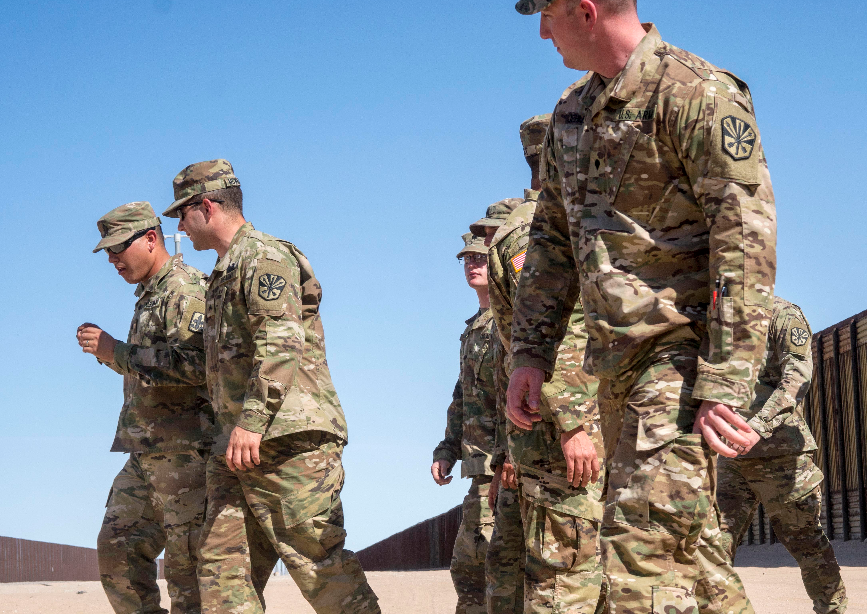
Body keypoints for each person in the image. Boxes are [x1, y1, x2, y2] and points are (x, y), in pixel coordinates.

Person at [508, 1, 777, 612]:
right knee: (694, 567)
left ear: (586, 11)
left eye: (547, 13)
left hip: (678, 359)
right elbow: (552, 241)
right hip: (613, 368)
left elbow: (744, 241)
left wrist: (724, 380)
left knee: (640, 559)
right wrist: (530, 354)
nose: (543, 32)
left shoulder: (697, 93)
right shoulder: (571, 112)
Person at [162, 159, 380, 614]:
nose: (180, 227)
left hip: (285, 437)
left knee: (316, 563)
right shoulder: (222, 273)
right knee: (222, 570)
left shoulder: (264, 256)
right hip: (236, 446)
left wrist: (253, 420)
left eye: (182, 213)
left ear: (207, 207)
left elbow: (280, 341)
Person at [485, 115, 605, 614]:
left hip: (562, 429)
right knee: (566, 583)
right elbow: (549, 335)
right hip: (563, 436)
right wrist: (574, 423)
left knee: (589, 575)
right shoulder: (532, 232)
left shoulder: (549, 223)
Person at [77, 201, 211, 614]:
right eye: (108, 252)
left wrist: (115, 351)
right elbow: (153, 368)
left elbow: (196, 365)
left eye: (119, 248)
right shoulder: (151, 296)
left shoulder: (185, 290)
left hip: (187, 456)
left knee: (188, 577)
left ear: (151, 239)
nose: (113, 260)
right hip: (146, 454)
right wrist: (111, 355)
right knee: (118, 549)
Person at [717, 297, 848, 613]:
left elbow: (798, 374)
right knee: (712, 546)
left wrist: (759, 425)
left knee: (806, 543)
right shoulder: (717, 317)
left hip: (780, 454)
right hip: (729, 456)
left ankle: (833, 609)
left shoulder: (781, 313)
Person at [432, 232, 499, 614]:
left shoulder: (511, 322)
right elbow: (463, 397)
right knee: (468, 571)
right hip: (479, 470)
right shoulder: (474, 327)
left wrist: (509, 460)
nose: (472, 264)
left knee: (497, 573)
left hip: (505, 469)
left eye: (481, 257)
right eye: (467, 258)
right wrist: (447, 450)